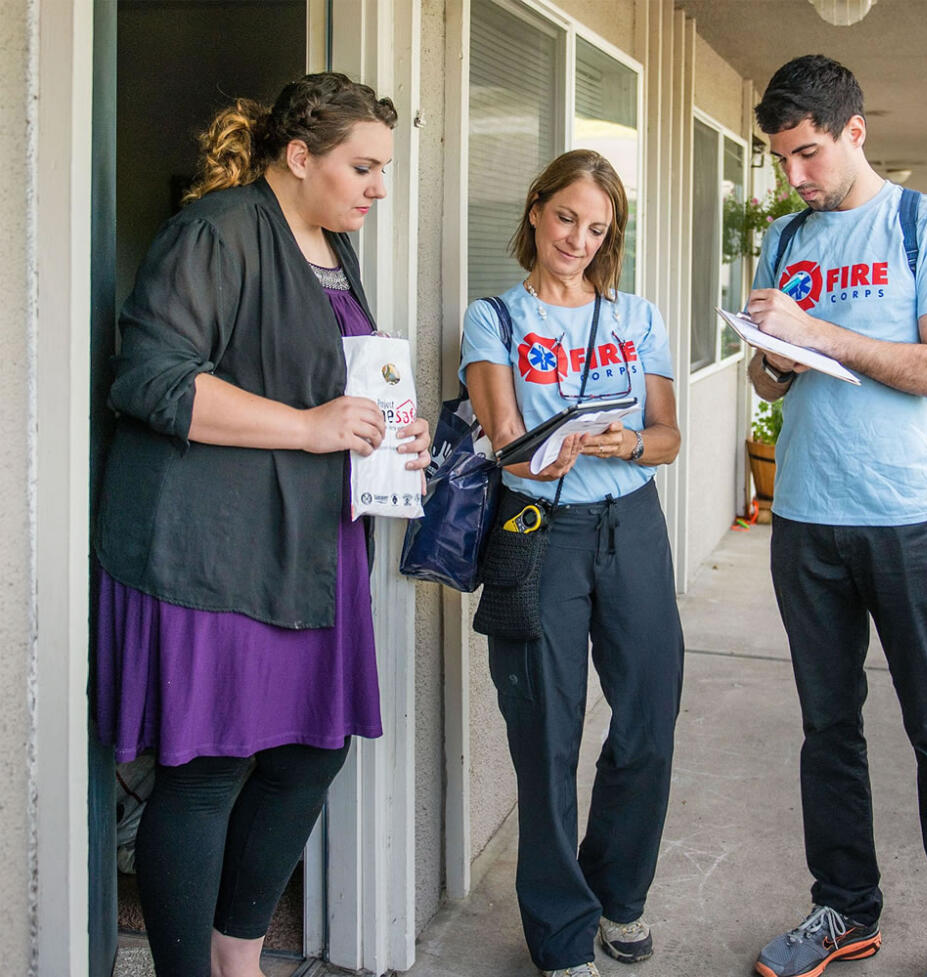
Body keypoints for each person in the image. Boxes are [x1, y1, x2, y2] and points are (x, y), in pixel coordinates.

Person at [93, 72, 431, 977]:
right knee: (208, 774)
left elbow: (329, 378)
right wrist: (313, 427)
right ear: (298, 155)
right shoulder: (215, 231)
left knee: (309, 756)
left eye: (382, 169)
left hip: (310, 548)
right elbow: (153, 381)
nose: (377, 187)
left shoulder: (331, 246)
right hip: (214, 547)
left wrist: (390, 432)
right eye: (363, 166)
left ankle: (238, 957)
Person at [743, 55, 927, 977]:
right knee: (829, 726)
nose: (795, 177)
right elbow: (768, 375)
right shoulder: (785, 238)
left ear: (855, 131)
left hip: (904, 517)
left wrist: (812, 331)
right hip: (806, 517)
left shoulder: (923, 221)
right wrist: (770, 356)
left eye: (808, 154)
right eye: (782, 159)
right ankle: (843, 909)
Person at [460, 149, 685, 977]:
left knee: (648, 717)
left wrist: (630, 440)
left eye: (597, 227)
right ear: (534, 210)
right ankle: (559, 937)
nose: (578, 239)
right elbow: (503, 433)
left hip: (631, 524)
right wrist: (535, 457)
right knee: (545, 735)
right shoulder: (495, 318)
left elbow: (666, 433)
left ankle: (617, 894)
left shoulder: (638, 317)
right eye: (566, 218)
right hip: (540, 530)